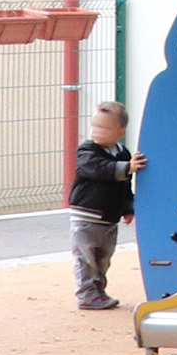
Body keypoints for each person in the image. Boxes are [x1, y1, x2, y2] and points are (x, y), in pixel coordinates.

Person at [68, 101, 141, 312]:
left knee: (103, 260)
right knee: (86, 259)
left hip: (109, 218)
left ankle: (99, 293)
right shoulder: (87, 151)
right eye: (95, 126)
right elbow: (97, 168)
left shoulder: (123, 153)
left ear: (120, 132)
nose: (97, 131)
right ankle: (86, 296)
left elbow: (125, 185)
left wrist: (127, 207)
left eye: (105, 128)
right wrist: (126, 168)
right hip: (86, 216)